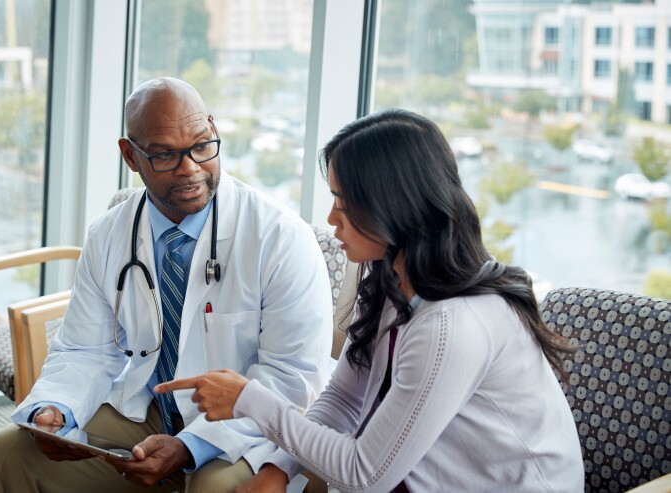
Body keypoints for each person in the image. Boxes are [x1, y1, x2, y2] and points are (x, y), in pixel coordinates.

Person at [157, 109, 585, 492]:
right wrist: (277, 469)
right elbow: (342, 400)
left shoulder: (453, 324)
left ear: (393, 205)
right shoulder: (392, 283)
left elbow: (366, 476)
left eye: (343, 201)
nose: (330, 218)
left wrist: (248, 398)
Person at [0, 77, 333, 493]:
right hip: (145, 411)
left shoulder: (279, 236)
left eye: (202, 145)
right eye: (165, 154)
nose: (190, 169)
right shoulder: (109, 233)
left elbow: (292, 380)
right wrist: (57, 409)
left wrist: (189, 445)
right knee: (9, 452)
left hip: (243, 426)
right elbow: (83, 349)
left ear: (214, 129)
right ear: (130, 155)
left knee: (217, 487)